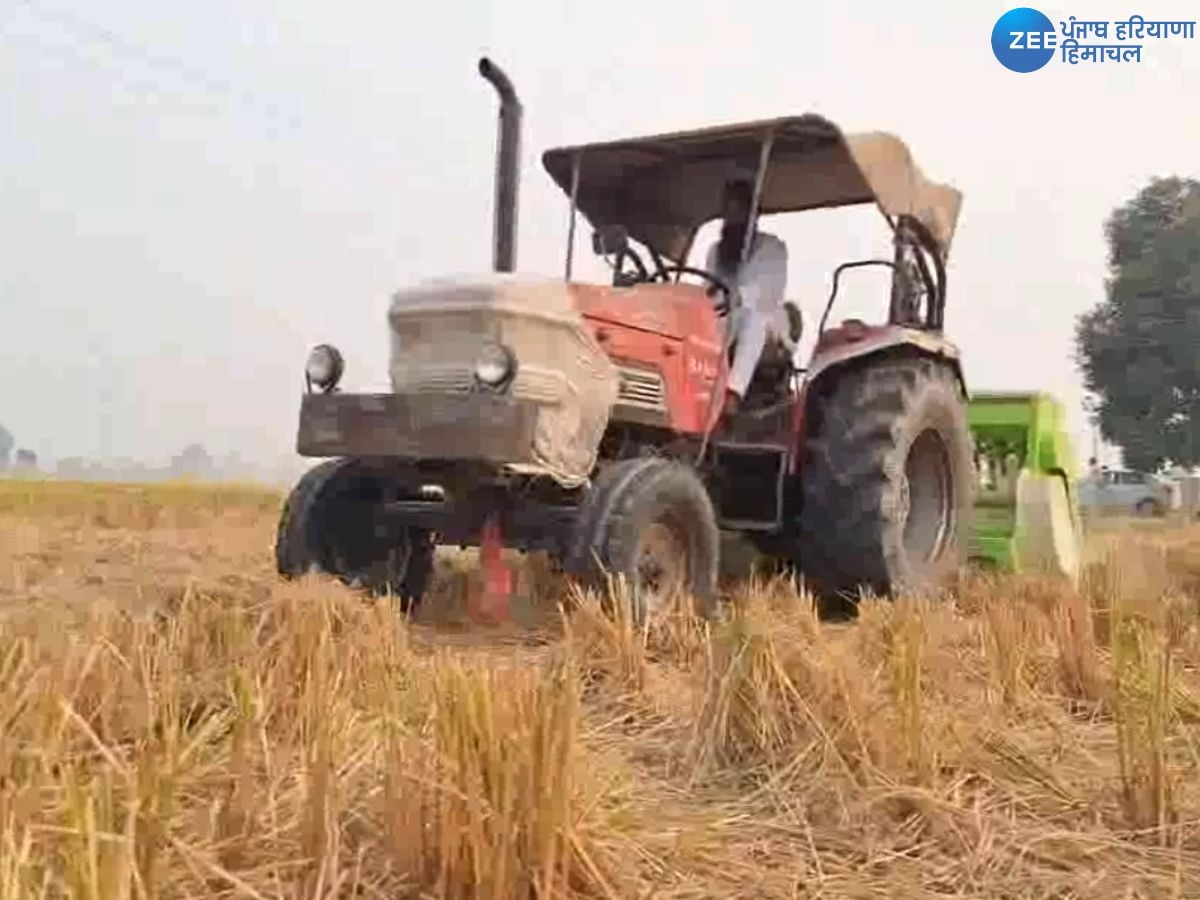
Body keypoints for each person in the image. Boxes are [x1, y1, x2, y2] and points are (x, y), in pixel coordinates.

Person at [704, 178, 790, 417]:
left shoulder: (773, 247)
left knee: (752, 317)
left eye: (738, 210)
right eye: (728, 210)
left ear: (752, 212)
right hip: (726, 316)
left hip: (768, 321)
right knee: (704, 322)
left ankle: (733, 393)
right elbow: (708, 290)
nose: (732, 217)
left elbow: (769, 292)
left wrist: (736, 298)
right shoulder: (716, 251)